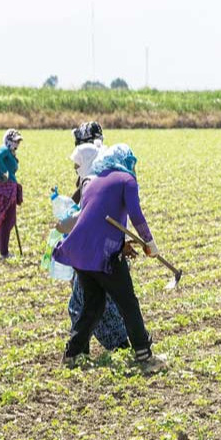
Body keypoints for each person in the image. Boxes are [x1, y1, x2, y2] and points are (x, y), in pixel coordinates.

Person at [53, 144, 166, 374]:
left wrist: (124, 242)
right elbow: (136, 215)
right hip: (103, 255)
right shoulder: (127, 181)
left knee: (94, 303)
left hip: (80, 250)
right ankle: (144, 354)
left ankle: (72, 353)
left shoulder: (93, 180)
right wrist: (150, 243)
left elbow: (91, 219)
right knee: (128, 303)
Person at [58, 137, 128, 352]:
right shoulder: (91, 180)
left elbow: (84, 217)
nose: (75, 169)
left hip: (94, 254)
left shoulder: (93, 182)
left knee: (89, 305)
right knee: (91, 304)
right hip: (93, 252)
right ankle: (87, 347)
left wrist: (63, 224)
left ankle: (108, 345)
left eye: (77, 164)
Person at [0, 129, 23, 258]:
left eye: (18, 142)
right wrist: (4, 172)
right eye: (15, 141)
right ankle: (4, 252)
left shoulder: (10, 152)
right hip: (5, 189)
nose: (17, 144)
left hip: (9, 187)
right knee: (8, 220)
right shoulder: (4, 149)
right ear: (8, 141)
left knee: (8, 219)